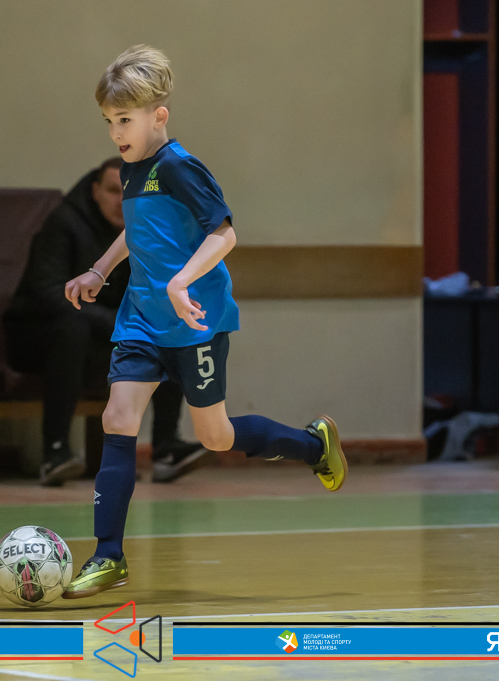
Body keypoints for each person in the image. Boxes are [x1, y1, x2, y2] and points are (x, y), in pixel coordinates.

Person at [60, 46, 349, 599]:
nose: (116, 132)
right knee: (118, 418)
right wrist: (100, 270)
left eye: (125, 120)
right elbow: (139, 230)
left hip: (194, 320)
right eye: (109, 121)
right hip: (142, 318)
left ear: (158, 116)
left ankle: (314, 445)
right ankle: (108, 555)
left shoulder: (178, 166)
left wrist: (181, 282)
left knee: (214, 436)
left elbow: (224, 233)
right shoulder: (131, 168)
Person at [4, 157, 211, 486]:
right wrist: (120, 324)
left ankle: (165, 448)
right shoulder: (63, 223)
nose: (121, 201)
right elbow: (48, 293)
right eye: (114, 191)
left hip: (100, 336)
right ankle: (55, 453)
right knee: (73, 330)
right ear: (95, 191)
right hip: (36, 336)